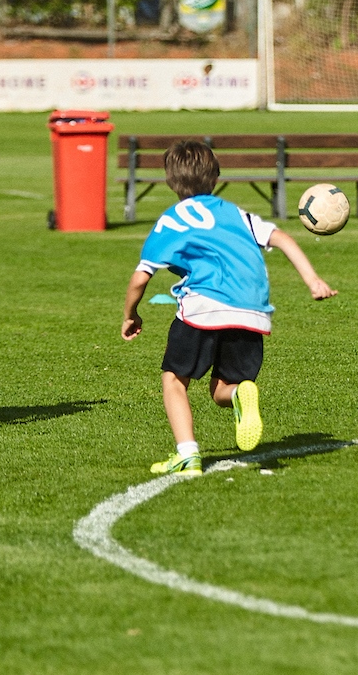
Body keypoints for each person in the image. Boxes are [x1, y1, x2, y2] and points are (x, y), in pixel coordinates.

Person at [122, 141, 336, 476]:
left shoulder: (171, 220)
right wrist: (313, 281)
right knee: (221, 390)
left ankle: (188, 454)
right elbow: (280, 237)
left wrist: (130, 314)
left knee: (175, 380)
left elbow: (140, 278)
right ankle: (240, 394)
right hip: (251, 309)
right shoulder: (234, 213)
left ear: (169, 180)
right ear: (216, 177)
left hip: (203, 305)